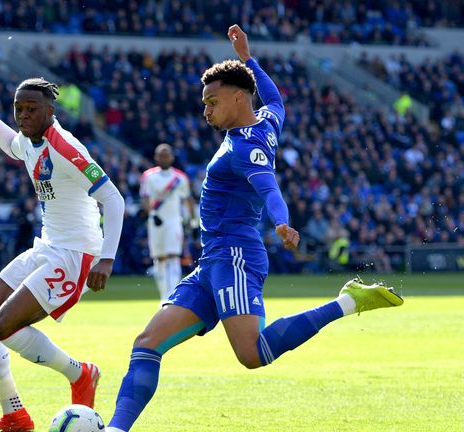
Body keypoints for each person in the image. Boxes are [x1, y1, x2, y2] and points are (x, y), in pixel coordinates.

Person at [104, 25, 404, 432]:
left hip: (235, 256)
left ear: (238, 98)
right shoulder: (265, 119)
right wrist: (248, 60)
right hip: (212, 261)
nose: (205, 110)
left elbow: (269, 187)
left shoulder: (247, 147)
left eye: (212, 102)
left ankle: (347, 302)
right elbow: (276, 99)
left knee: (253, 353)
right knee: (146, 344)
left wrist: (281, 221)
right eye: (204, 103)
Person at [0, 61, 125, 432]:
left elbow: (114, 200)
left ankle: (80, 374)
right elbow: (11, 145)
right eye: (18, 109)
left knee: (4, 325)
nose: (23, 115)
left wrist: (106, 259)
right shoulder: (30, 141)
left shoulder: (65, 147)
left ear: (50, 110)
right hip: (48, 245)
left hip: (76, 255)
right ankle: (15, 416)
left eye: (31, 109)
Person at [139, 143, 196, 301]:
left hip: (173, 221)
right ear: (156, 157)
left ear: (172, 157)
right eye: (161, 155)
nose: (164, 158)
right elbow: (144, 198)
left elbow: (188, 200)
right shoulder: (148, 176)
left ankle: (173, 296)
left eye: (167, 155)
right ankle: (164, 295)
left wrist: (192, 222)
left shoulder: (180, 178)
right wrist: (151, 213)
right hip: (156, 222)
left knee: (173, 256)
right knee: (160, 258)